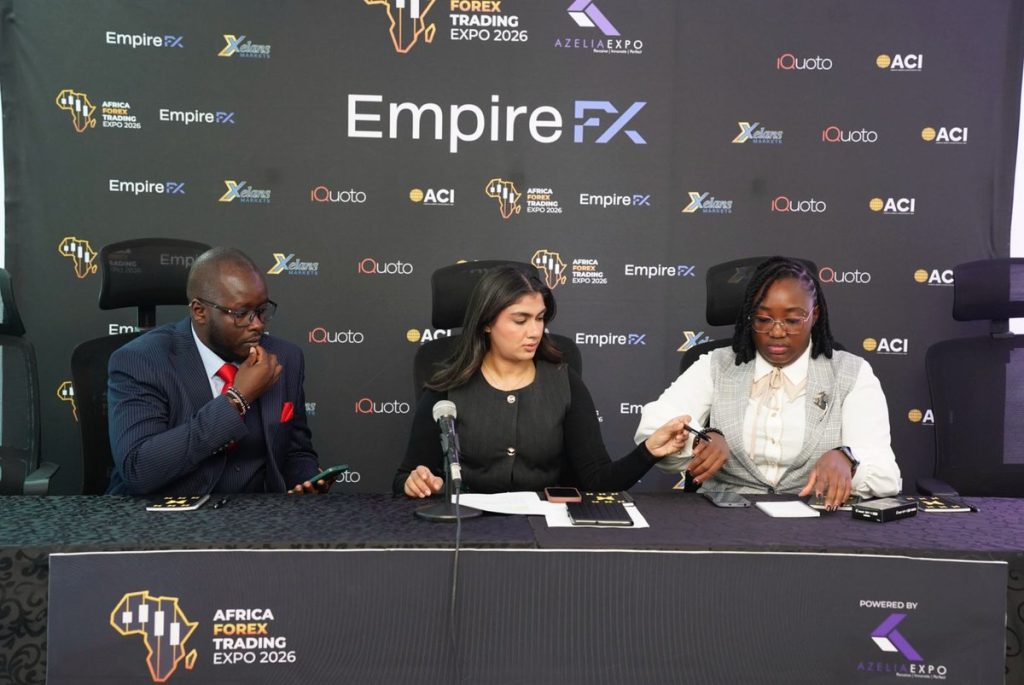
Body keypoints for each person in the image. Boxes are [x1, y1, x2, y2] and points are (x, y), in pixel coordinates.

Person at [395, 264, 691, 497]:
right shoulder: (447, 388)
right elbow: (403, 478)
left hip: (548, 531)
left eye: (540, 318)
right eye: (520, 320)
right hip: (469, 529)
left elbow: (599, 481)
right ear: (486, 323)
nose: (535, 332)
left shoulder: (564, 382)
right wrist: (415, 482)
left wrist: (649, 451)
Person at [634, 256, 901, 510]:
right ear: (749, 317)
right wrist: (699, 439)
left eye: (793, 320)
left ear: (815, 315)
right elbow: (653, 428)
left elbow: (887, 475)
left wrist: (848, 460)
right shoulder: (716, 365)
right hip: (724, 519)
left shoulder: (851, 372)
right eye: (763, 319)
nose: (777, 331)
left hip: (814, 522)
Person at [106, 247, 328, 496]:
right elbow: (139, 468)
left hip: (257, 514)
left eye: (261, 310)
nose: (257, 325)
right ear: (199, 311)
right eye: (241, 314)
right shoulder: (142, 360)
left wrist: (306, 482)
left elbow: (296, 452)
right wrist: (237, 399)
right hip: (169, 512)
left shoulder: (284, 357)